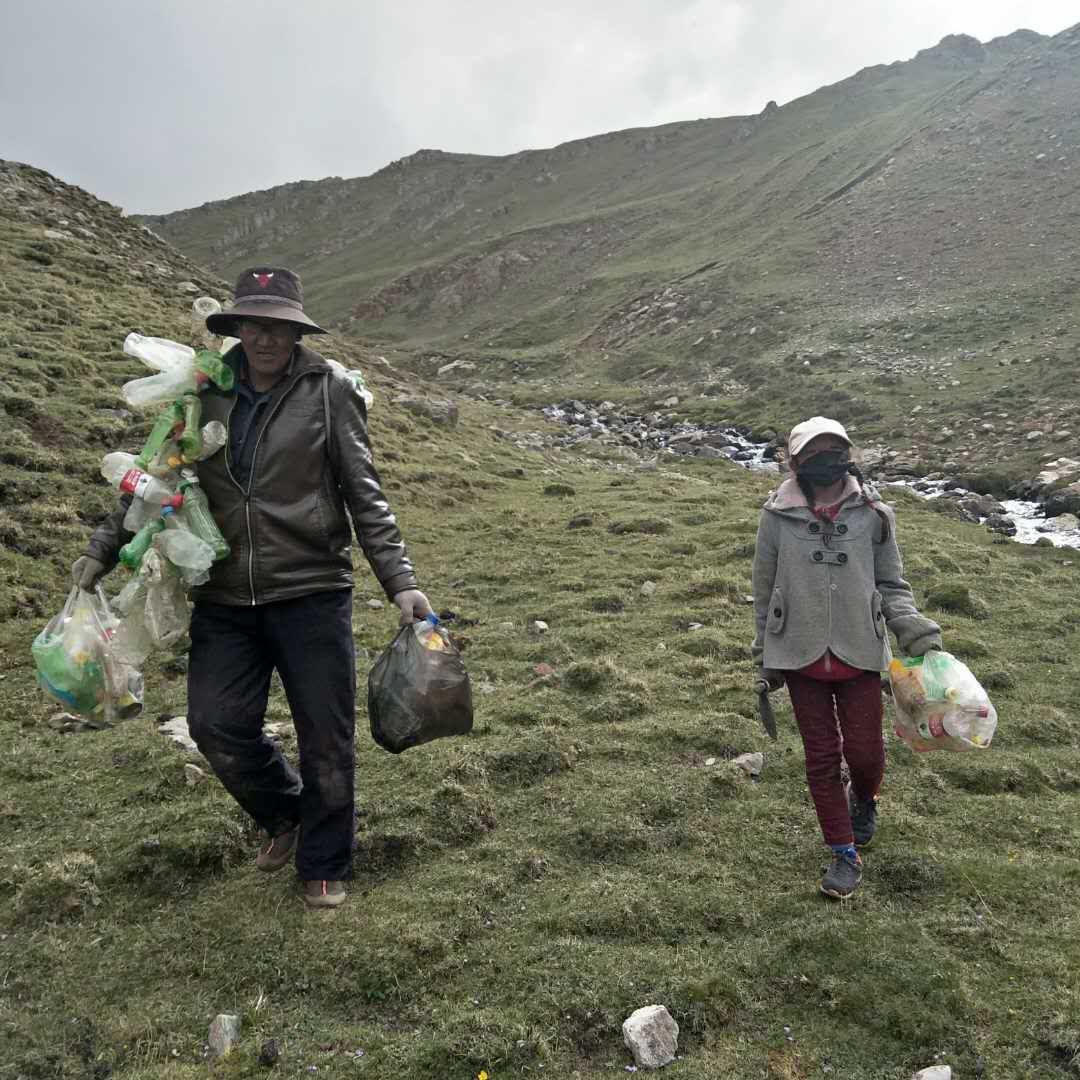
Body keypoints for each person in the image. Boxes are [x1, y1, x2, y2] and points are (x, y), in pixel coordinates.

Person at [72, 266, 432, 909]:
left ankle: (325, 861)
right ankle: (287, 815)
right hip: (225, 593)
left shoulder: (329, 391)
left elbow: (364, 494)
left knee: (325, 734)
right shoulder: (203, 390)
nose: (265, 338)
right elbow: (157, 480)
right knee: (215, 725)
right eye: (253, 325)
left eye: (278, 326)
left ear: (296, 331)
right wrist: (103, 549)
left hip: (311, 587)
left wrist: (399, 581)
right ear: (236, 327)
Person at [750, 416, 941, 899]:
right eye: (813, 453)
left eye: (834, 450)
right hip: (798, 654)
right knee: (820, 757)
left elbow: (893, 585)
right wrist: (764, 656)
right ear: (795, 462)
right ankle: (842, 852)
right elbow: (763, 589)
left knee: (865, 753)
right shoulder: (775, 517)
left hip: (860, 651)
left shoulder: (875, 515)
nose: (826, 460)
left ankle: (866, 799)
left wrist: (919, 637)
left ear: (849, 455)